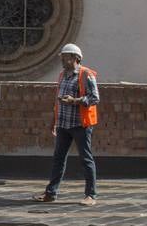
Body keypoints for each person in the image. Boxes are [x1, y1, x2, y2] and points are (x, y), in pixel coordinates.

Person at [33, 42, 99, 205]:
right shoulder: (62, 75)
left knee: (86, 159)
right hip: (63, 124)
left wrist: (74, 101)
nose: (62, 60)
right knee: (58, 159)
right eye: (62, 57)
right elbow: (58, 101)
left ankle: (91, 195)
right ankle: (51, 193)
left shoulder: (86, 75)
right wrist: (53, 121)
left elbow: (94, 98)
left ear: (76, 58)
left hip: (80, 125)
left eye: (65, 57)